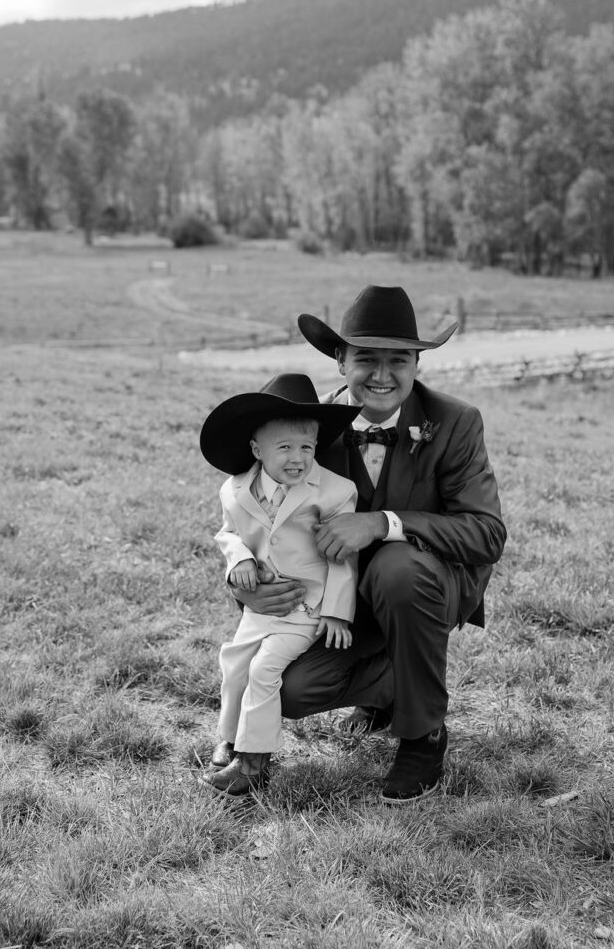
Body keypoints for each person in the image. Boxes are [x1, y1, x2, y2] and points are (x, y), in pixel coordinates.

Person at [234, 286, 506, 804]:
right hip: (340, 602)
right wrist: (244, 588)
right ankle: (392, 689)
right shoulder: (307, 432)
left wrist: (382, 523)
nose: (382, 375)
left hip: (428, 584)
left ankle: (422, 733)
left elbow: (487, 534)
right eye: (366, 359)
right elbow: (257, 525)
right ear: (339, 360)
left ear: (417, 363)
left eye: (398, 360)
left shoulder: (455, 422)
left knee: (397, 569)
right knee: (292, 690)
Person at [198, 372, 360, 796]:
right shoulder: (235, 490)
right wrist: (239, 559)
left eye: (306, 447)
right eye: (284, 447)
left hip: (305, 610)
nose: (297, 457)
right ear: (257, 449)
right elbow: (227, 533)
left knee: (264, 669)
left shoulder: (335, 492)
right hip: (259, 608)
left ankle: (253, 763)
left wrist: (338, 613)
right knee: (234, 664)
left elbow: (342, 554)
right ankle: (230, 739)